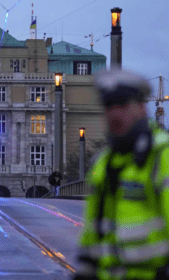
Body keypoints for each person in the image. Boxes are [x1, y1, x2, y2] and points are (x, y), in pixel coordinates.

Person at [74, 69, 169, 280]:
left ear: (142, 108)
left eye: (123, 105)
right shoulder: (103, 163)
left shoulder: (161, 157)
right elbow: (93, 232)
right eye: (109, 106)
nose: (115, 113)